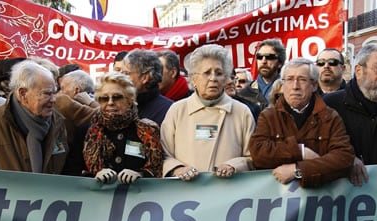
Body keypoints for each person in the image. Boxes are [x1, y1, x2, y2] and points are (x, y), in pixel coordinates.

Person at [249, 58, 354, 187]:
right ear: (283, 84)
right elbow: (258, 153)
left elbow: (344, 159)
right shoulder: (269, 116)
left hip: (321, 200)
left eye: (302, 80)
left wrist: (298, 170)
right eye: (289, 79)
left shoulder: (329, 116)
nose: (295, 86)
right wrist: (300, 151)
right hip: (276, 202)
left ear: (314, 85)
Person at [161, 44, 255, 181]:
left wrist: (234, 165)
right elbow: (164, 154)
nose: (213, 79)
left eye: (219, 73)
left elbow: (253, 157)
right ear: (193, 79)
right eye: (206, 73)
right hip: (185, 193)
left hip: (228, 192)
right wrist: (178, 169)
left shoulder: (242, 112)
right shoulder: (177, 110)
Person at [0, 60, 69, 173]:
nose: (54, 99)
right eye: (47, 93)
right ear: (23, 94)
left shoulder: (58, 122)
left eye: (54, 93)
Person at [323, 44, 377, 186]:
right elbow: (318, 146)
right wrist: (346, 158)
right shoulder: (331, 105)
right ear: (359, 71)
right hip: (343, 195)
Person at [83, 72, 163, 184]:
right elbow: (76, 172)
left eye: (117, 97)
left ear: (130, 101)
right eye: (104, 99)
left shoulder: (147, 130)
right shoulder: (88, 132)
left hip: (139, 198)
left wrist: (140, 174)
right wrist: (96, 175)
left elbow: (158, 169)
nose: (110, 102)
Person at [121, 49, 172, 125]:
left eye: (126, 73)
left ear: (144, 78)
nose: (120, 77)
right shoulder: (120, 106)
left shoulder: (170, 111)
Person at [238, 38, 286, 110]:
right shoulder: (244, 94)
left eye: (269, 57)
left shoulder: (289, 91)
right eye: (259, 57)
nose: (263, 61)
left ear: (280, 63)